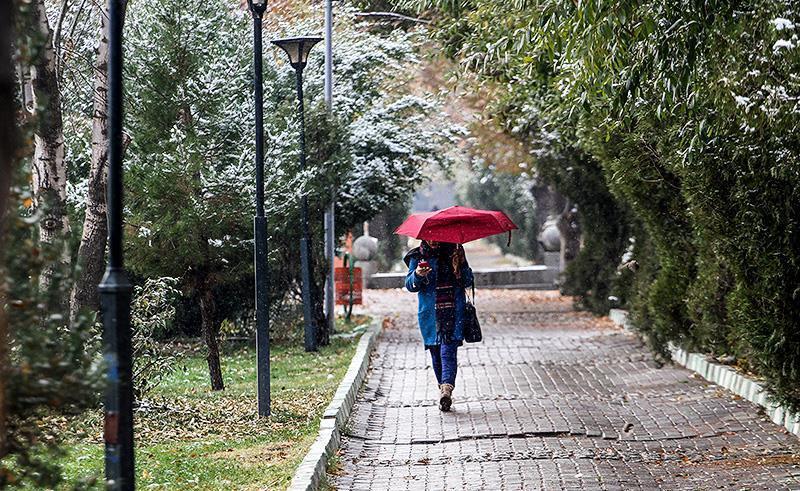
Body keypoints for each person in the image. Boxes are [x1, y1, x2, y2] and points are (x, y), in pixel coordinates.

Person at [404, 240, 474, 411]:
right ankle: (442, 387)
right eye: (429, 238)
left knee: (447, 351)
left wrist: (461, 266)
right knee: (436, 353)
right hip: (429, 315)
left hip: (453, 312)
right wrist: (418, 275)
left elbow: (468, 281)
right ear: (424, 237)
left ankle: (446, 390)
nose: (433, 241)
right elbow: (410, 286)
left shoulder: (455, 251)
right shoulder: (417, 256)